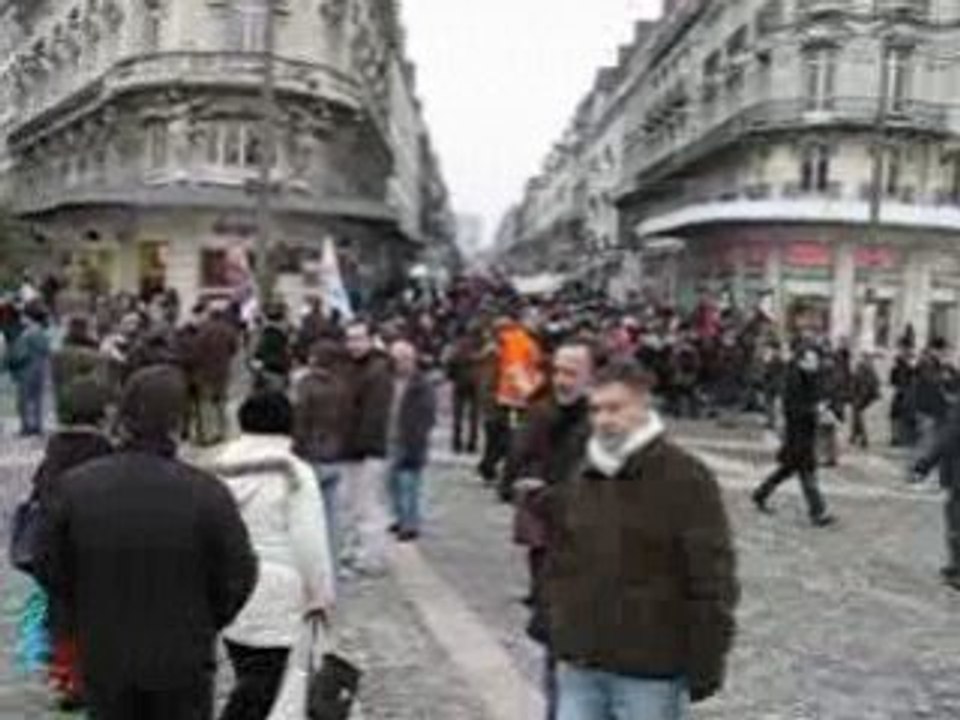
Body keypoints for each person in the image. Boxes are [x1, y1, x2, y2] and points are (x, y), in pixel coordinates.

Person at [36, 365, 258, 720]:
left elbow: (48, 563)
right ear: (178, 424)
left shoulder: (76, 488)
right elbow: (238, 574)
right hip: (182, 652)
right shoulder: (206, 493)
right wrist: (203, 619)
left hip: (105, 649)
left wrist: (83, 611)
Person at [542, 361, 739, 719]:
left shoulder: (685, 478)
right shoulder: (585, 472)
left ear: (644, 406)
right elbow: (562, 558)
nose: (603, 419)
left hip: (650, 669)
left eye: (615, 408)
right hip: (581, 660)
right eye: (596, 409)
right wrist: (554, 624)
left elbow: (712, 577)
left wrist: (707, 659)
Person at [209, 391, 335, 720]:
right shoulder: (293, 473)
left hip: (230, 584)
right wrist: (321, 592)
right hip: (280, 587)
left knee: (248, 671)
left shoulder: (220, 467)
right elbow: (310, 540)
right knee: (264, 683)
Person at [506, 343, 594, 720]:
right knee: (554, 657)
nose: (561, 380)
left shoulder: (603, 426)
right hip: (548, 552)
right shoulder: (542, 414)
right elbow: (511, 471)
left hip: (591, 560)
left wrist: (543, 494)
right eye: (557, 371)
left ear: (590, 377)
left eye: (571, 372)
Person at [31, 377, 114, 711]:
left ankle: (67, 680)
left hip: (58, 547)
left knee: (63, 615)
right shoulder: (103, 451)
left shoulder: (55, 451)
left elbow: (41, 494)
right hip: (96, 545)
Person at [752, 346, 836, 527]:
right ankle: (818, 511)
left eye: (816, 361)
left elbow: (818, 396)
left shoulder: (811, 378)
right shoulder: (793, 381)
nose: (815, 364)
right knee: (807, 476)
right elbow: (793, 410)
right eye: (811, 361)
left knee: (784, 472)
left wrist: (822, 407)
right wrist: (815, 410)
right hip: (797, 436)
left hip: (804, 435)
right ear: (802, 362)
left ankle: (760, 494)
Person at [340, 321, 395, 575]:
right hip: (352, 447)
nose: (353, 344)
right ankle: (355, 551)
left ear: (371, 339)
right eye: (350, 339)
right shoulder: (353, 368)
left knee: (368, 506)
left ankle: (372, 557)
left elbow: (374, 416)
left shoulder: (377, 371)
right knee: (353, 505)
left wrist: (362, 446)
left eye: (359, 339)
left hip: (367, 449)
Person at [292, 339, 348, 571]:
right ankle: (332, 563)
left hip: (311, 454)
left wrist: (295, 448)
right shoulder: (342, 386)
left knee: (308, 515)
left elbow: (300, 419)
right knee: (332, 515)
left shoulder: (307, 385)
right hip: (335, 454)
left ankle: (310, 565)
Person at [385, 339, 437, 542]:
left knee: (409, 484)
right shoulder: (389, 380)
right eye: (396, 359)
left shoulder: (421, 385)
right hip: (391, 436)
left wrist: (418, 437)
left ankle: (410, 524)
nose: (400, 364)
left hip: (411, 440)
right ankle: (400, 517)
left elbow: (427, 415)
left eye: (404, 359)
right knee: (392, 483)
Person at [192, 305, 240, 446]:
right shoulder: (228, 330)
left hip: (205, 374)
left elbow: (196, 351)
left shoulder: (203, 331)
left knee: (206, 405)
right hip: (222, 372)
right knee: (221, 403)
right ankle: (223, 433)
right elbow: (234, 348)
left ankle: (208, 435)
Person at [7, 301, 51, 436]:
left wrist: (13, 362)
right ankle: (37, 426)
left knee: (24, 400)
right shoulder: (42, 331)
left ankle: (26, 427)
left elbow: (21, 352)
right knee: (37, 399)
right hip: (41, 367)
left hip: (27, 368)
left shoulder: (26, 331)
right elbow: (47, 350)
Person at [446, 326, 484, 455]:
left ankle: (456, 442)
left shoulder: (457, 346)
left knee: (458, 415)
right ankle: (472, 444)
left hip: (460, 383)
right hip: (475, 384)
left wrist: (451, 376)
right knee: (474, 416)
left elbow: (450, 362)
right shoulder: (480, 346)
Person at [849, 353, 881, 448]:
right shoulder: (863, 368)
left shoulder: (867, 369)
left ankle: (862, 437)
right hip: (861, 396)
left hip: (864, 397)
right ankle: (856, 435)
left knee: (859, 416)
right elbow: (855, 381)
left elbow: (872, 384)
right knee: (857, 415)